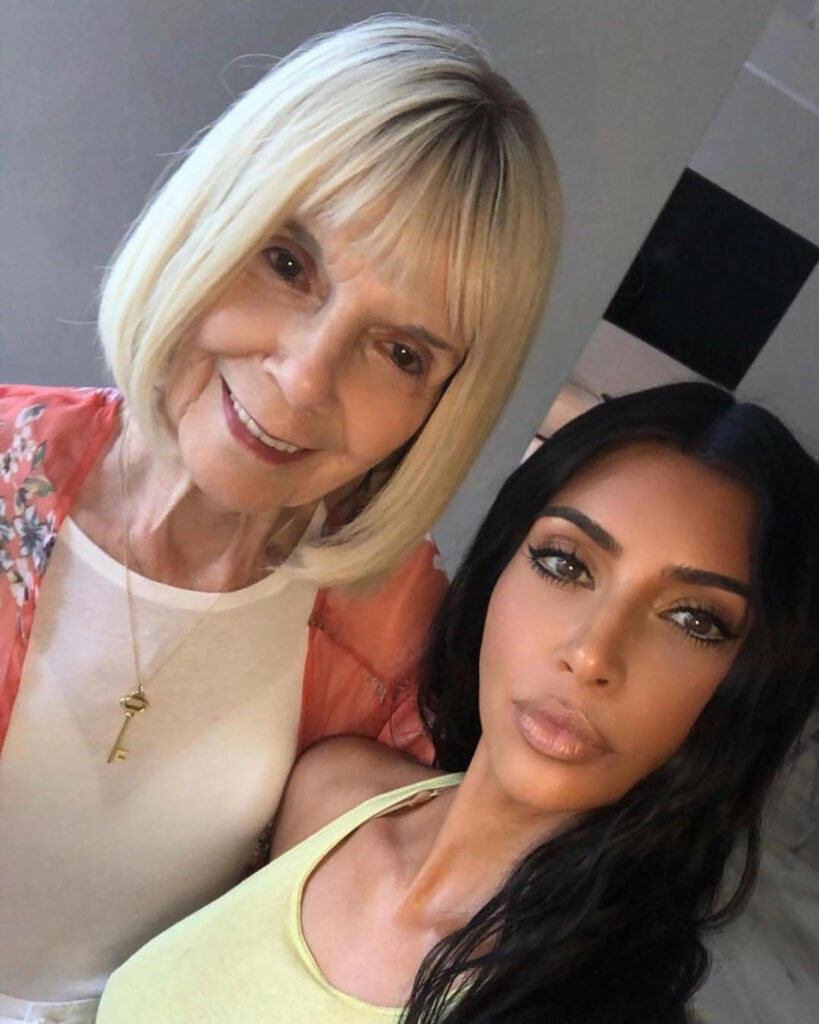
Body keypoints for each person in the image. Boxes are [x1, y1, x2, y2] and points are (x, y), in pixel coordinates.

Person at [0, 15, 562, 1021]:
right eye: (288, 262)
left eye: (402, 352)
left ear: (442, 407)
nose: (304, 378)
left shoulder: (407, 645)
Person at [98, 382, 819, 1023]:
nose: (593, 654)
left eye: (693, 620)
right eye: (565, 563)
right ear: (498, 568)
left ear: (751, 685)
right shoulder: (332, 792)